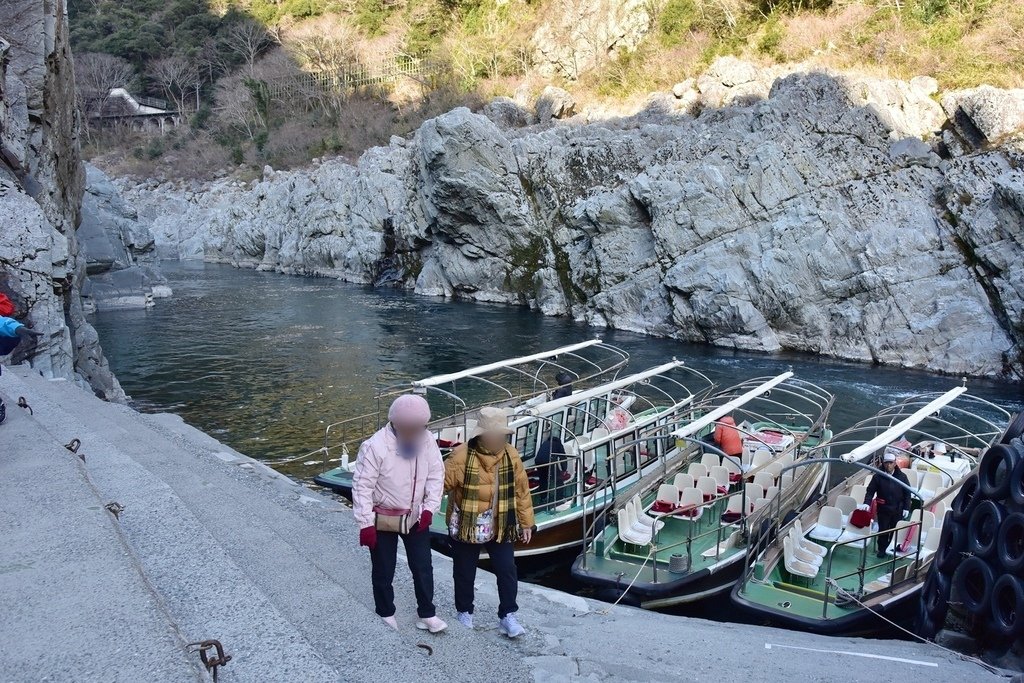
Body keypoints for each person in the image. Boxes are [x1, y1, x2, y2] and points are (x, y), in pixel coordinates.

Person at [352, 394, 447, 633]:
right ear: (396, 424)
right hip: (384, 516)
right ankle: (385, 612)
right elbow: (362, 486)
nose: (415, 432)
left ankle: (427, 613)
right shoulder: (375, 446)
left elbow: (436, 475)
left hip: (415, 514)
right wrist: (365, 524)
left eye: (419, 427)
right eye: (410, 427)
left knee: (423, 566)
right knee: (384, 567)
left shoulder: (426, 441)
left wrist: (429, 508)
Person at [444, 406, 535, 638]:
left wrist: (526, 523)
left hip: (500, 523)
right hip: (467, 523)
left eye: (501, 435)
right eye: (493, 434)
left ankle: (507, 615)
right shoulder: (461, 456)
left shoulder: (511, 455)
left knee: (507, 569)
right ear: (481, 435)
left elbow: (521, 492)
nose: (498, 439)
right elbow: (440, 485)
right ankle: (464, 612)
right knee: (464, 571)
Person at [858, 453, 911, 558]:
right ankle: (882, 549)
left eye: (891, 463)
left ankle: (892, 547)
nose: (888, 465)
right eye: (886, 463)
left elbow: (907, 493)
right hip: (883, 509)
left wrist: (906, 508)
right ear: (883, 463)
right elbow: (870, 491)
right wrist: (867, 503)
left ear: (895, 463)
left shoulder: (902, 477)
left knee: (895, 530)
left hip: (898, 509)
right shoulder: (877, 477)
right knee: (883, 530)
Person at [534, 433, 568, 507]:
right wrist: (564, 469)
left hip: (538, 461)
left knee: (543, 479)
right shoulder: (558, 444)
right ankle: (560, 498)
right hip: (548, 461)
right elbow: (563, 457)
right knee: (558, 479)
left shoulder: (545, 443)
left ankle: (543, 497)